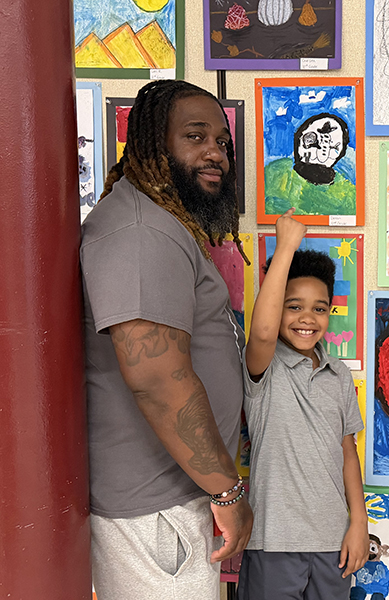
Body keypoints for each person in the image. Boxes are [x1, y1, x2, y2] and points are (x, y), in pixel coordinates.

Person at [80, 79, 253, 600]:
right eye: (194, 136)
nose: (215, 153)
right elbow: (157, 379)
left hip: (170, 502)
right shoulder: (141, 231)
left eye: (221, 141)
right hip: (155, 516)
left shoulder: (159, 222)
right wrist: (227, 491)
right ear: (154, 144)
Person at [238, 208, 368, 600]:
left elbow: (347, 451)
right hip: (274, 542)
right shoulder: (264, 366)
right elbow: (263, 332)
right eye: (293, 306)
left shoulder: (338, 374)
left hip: (333, 542)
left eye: (319, 308)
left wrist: (359, 523)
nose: (307, 318)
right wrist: (286, 246)